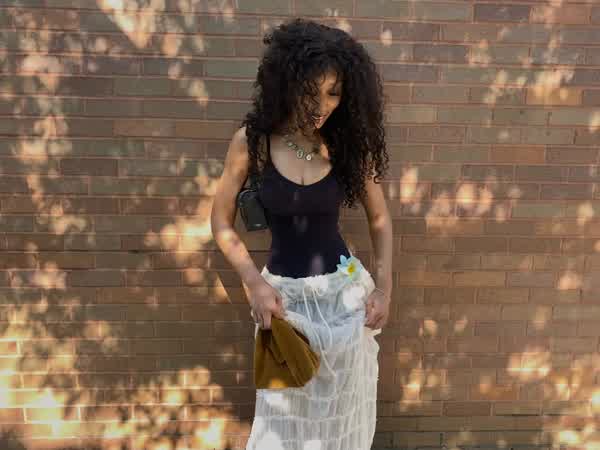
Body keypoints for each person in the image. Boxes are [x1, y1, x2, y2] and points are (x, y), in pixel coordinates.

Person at [210, 18, 393, 450]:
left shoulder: (348, 145)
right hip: (284, 304)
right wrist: (253, 283)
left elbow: (380, 220)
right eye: (312, 91)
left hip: (346, 299)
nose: (322, 105)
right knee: (283, 422)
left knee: (341, 416)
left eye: (334, 92)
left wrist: (385, 289)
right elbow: (220, 221)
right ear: (287, 84)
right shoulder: (252, 143)